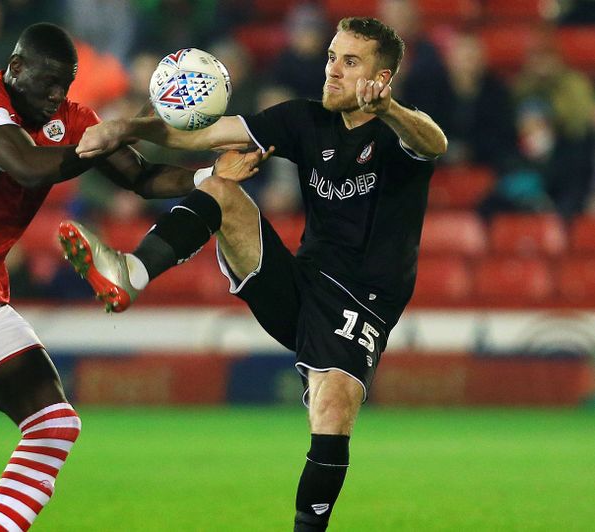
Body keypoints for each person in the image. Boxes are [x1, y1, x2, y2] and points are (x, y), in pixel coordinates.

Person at [0, 22, 263, 531]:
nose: (55, 96)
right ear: (15, 67)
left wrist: (212, 175)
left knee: (55, 424)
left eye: (64, 86)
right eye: (47, 83)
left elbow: (142, 177)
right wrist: (113, 134)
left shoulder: (71, 119)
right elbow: (27, 165)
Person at [61, 16, 446, 531]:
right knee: (221, 187)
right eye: (332, 56)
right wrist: (126, 127)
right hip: (299, 284)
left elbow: (434, 142)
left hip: (361, 301)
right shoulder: (304, 119)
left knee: (332, 414)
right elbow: (206, 132)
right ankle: (132, 271)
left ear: (381, 78)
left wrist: (391, 110)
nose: (332, 70)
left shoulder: (397, 134)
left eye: (350, 62)